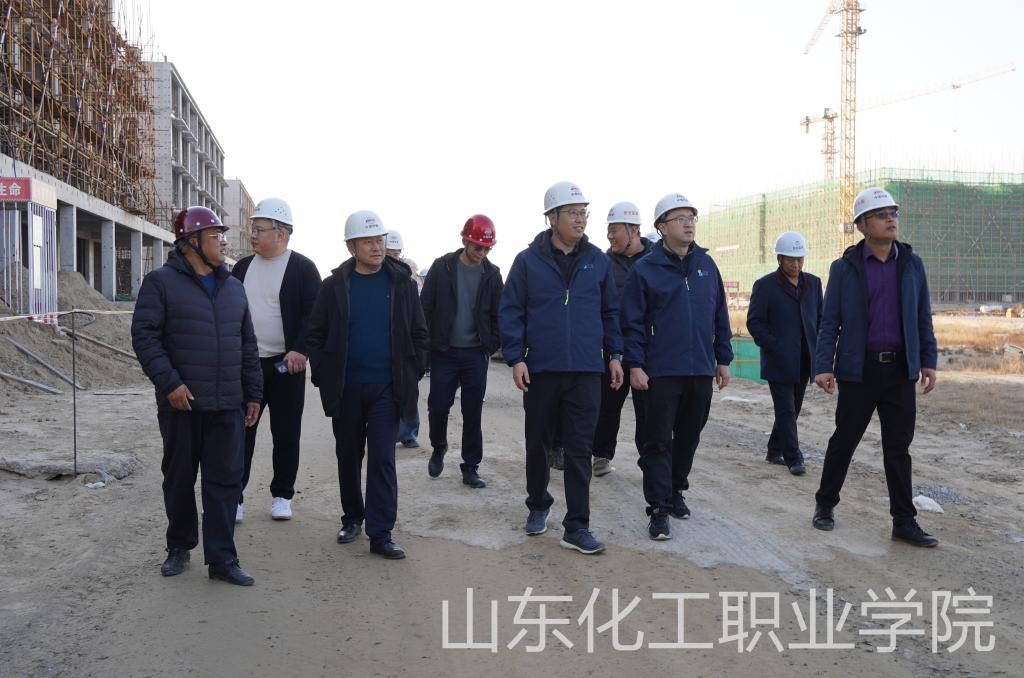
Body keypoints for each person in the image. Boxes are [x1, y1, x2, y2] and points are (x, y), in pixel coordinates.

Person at [132, 206, 262, 586]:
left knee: (225, 482)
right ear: (191, 242)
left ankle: (222, 559)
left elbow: (248, 344)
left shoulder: (234, 287)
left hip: (227, 404)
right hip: (182, 404)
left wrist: (253, 393)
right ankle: (179, 545)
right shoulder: (160, 283)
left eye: (223, 236)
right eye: (216, 236)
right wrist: (170, 384)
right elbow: (145, 337)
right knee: (179, 478)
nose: (224, 242)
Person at [499, 181, 623, 555]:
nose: (580, 219)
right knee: (538, 441)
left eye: (583, 212)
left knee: (580, 448)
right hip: (541, 369)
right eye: (572, 213)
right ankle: (538, 504)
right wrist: (516, 357)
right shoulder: (527, 262)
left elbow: (610, 312)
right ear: (551, 218)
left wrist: (615, 355)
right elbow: (511, 311)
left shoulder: (597, 261)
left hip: (586, 369)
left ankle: (577, 526)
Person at [812, 187, 939, 547]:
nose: (890, 219)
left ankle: (904, 521)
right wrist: (823, 365)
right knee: (844, 441)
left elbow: (922, 316)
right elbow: (830, 322)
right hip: (859, 372)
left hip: (900, 372)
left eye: (893, 213)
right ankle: (825, 505)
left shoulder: (912, 264)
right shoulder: (844, 268)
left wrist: (927, 360)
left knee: (898, 449)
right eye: (882, 215)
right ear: (863, 225)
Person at [307, 211, 429, 559]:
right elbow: (315, 334)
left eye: (379, 241)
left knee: (382, 458)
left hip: (387, 389)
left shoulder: (402, 284)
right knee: (348, 455)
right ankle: (352, 518)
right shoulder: (333, 286)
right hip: (346, 388)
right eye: (368, 242)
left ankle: (381, 533)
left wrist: (413, 371)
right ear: (351, 247)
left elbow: (420, 333)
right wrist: (324, 374)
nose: (377, 247)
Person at [622, 193, 733, 541]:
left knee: (689, 436)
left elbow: (720, 315)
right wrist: (635, 364)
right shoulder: (645, 270)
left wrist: (723, 358)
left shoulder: (706, 266)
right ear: (661, 227)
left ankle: (675, 489)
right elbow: (632, 323)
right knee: (657, 440)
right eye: (680, 218)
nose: (688, 224)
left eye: (691, 218)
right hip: (660, 371)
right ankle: (658, 508)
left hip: (699, 369)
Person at [230, 198, 321, 522]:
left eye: (259, 229)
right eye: (252, 229)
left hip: (285, 366)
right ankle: (234, 497)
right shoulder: (242, 267)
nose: (252, 235)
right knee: (241, 433)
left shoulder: (303, 268)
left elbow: (314, 316)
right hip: (247, 366)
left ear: (281, 234)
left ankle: (282, 495)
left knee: (286, 433)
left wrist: (300, 349)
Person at [420, 215, 503, 488]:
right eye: (478, 247)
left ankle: (470, 466)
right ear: (465, 241)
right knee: (438, 406)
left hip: (475, 354)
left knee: (472, 411)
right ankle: (439, 446)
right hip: (444, 352)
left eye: (487, 248)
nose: (482, 253)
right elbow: (425, 307)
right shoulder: (442, 267)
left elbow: (499, 314)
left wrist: (490, 345)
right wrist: (427, 344)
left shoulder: (492, 274)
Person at [746, 231, 823, 476]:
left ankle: (774, 450)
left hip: (804, 359)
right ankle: (794, 457)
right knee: (786, 410)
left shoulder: (814, 283)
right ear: (780, 258)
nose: (796, 264)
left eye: (800, 259)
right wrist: (774, 346)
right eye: (791, 260)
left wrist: (818, 349)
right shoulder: (765, 286)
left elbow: (820, 319)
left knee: (793, 409)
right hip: (778, 360)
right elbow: (755, 322)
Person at [592, 201, 654, 477]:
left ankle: (649, 459)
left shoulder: (656, 261)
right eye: (608, 230)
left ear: (633, 230)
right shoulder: (604, 264)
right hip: (613, 348)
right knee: (607, 406)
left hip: (646, 349)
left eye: (614, 230)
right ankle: (601, 455)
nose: (610, 236)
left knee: (648, 410)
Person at [385, 229, 424, 448]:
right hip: (386, 346)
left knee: (408, 391)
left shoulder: (409, 281)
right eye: (390, 253)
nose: (394, 257)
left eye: (396, 253)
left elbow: (418, 319)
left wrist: (420, 358)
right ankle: (386, 433)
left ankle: (409, 433)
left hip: (405, 344)